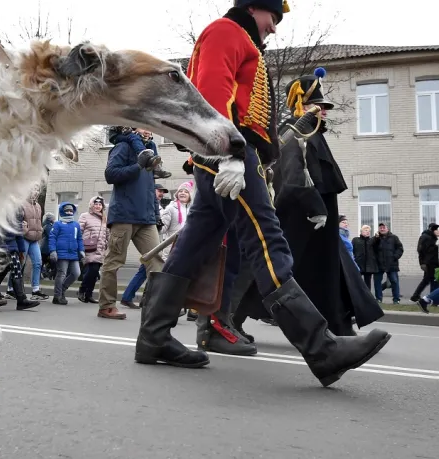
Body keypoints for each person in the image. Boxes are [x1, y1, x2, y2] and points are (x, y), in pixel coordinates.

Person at [134, 0, 391, 385]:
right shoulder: (226, 32)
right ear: (255, 7)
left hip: (229, 154)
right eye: (274, 17)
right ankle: (322, 349)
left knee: (193, 245)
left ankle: (153, 336)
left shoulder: (242, 39)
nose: (274, 27)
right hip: (231, 152)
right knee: (268, 241)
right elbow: (210, 95)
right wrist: (230, 156)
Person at [236, 73, 384, 337]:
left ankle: (338, 323)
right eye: (316, 105)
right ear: (299, 105)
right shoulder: (294, 130)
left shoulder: (314, 132)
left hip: (321, 218)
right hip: (301, 217)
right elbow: (293, 177)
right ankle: (233, 314)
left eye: (325, 106)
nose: (323, 110)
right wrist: (314, 206)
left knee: (331, 268)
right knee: (279, 271)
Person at [97, 128, 162, 320]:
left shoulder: (150, 152)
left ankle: (159, 305)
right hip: (124, 215)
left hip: (146, 219)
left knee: (157, 260)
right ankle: (107, 305)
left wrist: (156, 214)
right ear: (133, 128)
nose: (148, 130)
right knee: (114, 261)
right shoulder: (123, 147)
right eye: (143, 126)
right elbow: (111, 175)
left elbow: (151, 188)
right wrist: (137, 166)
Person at [121, 183, 169, 309]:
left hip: (157, 244)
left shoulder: (160, 207)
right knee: (149, 271)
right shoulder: (150, 206)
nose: (161, 194)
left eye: (163, 192)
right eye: (159, 191)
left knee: (145, 272)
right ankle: (147, 301)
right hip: (152, 244)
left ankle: (132, 298)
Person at [49, 203, 85, 305]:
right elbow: (52, 238)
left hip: (73, 254)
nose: (69, 212)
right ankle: (57, 296)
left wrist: (81, 251)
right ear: (62, 211)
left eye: (71, 210)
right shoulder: (57, 224)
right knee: (61, 274)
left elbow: (79, 239)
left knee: (76, 273)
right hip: (61, 253)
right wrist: (53, 251)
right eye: (67, 210)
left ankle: (62, 290)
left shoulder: (76, 225)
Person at [77, 196, 109, 303]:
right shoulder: (85, 216)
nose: (98, 206)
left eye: (100, 205)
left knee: (95, 273)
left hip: (100, 248)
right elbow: (79, 231)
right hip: (89, 247)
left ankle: (89, 294)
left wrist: (107, 243)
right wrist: (79, 245)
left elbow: (107, 233)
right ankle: (82, 290)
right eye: (96, 204)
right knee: (92, 270)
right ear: (92, 205)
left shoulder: (104, 218)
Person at [372, 223, 404, 304]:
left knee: (394, 281)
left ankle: (396, 299)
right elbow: (372, 249)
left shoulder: (394, 238)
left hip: (392, 263)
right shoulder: (375, 238)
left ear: (387, 229)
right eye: (380, 228)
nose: (382, 229)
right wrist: (376, 239)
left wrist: (395, 256)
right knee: (377, 282)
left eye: (384, 227)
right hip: (378, 264)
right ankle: (379, 299)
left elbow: (400, 248)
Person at [411, 223, 439, 302]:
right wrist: (423, 263)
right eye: (436, 230)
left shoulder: (430, 237)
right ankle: (431, 299)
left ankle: (416, 296)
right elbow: (422, 250)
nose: (438, 231)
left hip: (431, 263)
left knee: (429, 280)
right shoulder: (427, 237)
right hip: (430, 263)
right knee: (431, 281)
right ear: (432, 230)